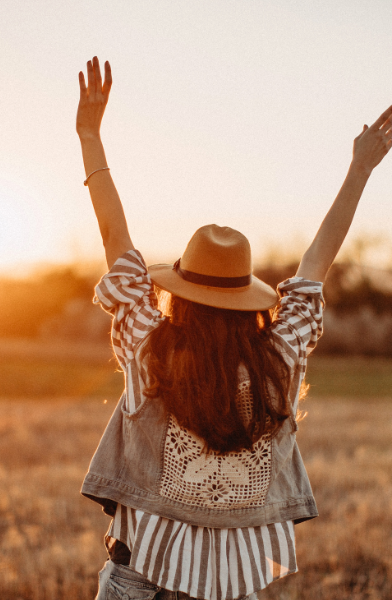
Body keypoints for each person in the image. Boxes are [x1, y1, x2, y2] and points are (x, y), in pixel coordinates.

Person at [76, 56, 392, 600]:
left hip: (138, 580)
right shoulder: (282, 355)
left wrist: (89, 135)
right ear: (250, 301)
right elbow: (317, 263)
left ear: (180, 293)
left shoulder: (147, 345)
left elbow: (114, 237)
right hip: (232, 589)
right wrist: (361, 169)